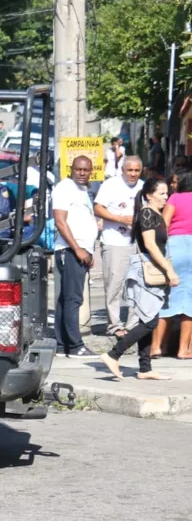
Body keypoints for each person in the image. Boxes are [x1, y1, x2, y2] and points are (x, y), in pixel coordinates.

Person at [99, 178, 179, 380]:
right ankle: (112, 354)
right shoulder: (147, 214)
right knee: (150, 322)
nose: (165, 197)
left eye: (166, 193)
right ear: (149, 195)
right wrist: (169, 270)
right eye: (161, 193)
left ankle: (145, 368)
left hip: (154, 271)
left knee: (148, 317)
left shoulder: (156, 214)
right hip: (147, 272)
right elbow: (150, 245)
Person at [52, 156, 99, 358]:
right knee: (73, 299)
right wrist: (78, 249)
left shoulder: (83, 190)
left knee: (66, 299)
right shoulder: (65, 188)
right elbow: (60, 221)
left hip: (80, 250)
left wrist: (88, 251)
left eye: (86, 170)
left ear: (91, 171)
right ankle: (76, 345)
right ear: (71, 169)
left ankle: (62, 345)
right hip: (70, 250)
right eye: (78, 169)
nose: (82, 173)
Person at [94, 156, 144, 337]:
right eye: (129, 170)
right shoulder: (110, 185)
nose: (133, 174)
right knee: (114, 285)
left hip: (138, 243)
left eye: (136, 171)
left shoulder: (143, 187)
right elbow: (98, 208)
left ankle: (133, 324)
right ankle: (114, 325)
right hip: (115, 241)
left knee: (137, 285)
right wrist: (120, 219)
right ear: (122, 170)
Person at [154, 171, 192, 358]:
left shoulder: (175, 199)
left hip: (175, 247)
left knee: (167, 298)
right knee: (190, 301)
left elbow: (164, 224)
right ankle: (184, 349)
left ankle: (157, 347)